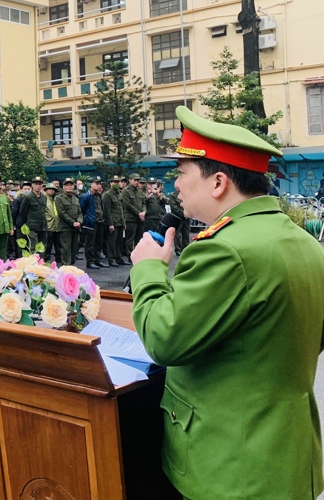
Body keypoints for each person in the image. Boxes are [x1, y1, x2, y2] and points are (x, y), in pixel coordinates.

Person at [130, 105, 324, 500]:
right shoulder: (303, 242)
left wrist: (148, 270)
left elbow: (164, 339)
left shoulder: (226, 250)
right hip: (286, 454)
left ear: (218, 182)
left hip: (231, 462)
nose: (176, 187)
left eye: (182, 174)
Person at [79, 177, 107, 270]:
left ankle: (97, 260)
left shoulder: (99, 195)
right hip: (90, 223)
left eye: (99, 183)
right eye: (96, 183)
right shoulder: (86, 196)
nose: (98, 185)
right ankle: (90, 261)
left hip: (100, 221)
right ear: (91, 184)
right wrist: (85, 221)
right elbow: (81, 210)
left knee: (98, 243)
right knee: (90, 244)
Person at [56, 178, 82, 265]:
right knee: (66, 248)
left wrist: (79, 221)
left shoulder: (76, 199)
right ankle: (66, 266)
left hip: (76, 227)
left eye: (71, 185)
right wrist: (72, 222)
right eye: (67, 185)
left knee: (74, 248)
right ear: (63, 187)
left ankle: (71, 264)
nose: (69, 187)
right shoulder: (59, 198)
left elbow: (80, 212)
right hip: (65, 227)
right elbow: (61, 213)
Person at [102, 176, 125, 267]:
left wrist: (123, 223)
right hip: (113, 222)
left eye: (117, 182)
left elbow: (121, 209)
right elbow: (107, 210)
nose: (116, 183)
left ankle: (119, 258)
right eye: (114, 182)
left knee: (119, 242)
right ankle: (111, 259)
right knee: (112, 242)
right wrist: (110, 223)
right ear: (110, 183)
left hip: (120, 221)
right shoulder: (107, 194)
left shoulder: (120, 193)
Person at [121, 173, 145, 262]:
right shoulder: (126, 191)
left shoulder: (139, 191)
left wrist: (144, 211)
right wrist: (139, 213)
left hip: (140, 218)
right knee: (130, 238)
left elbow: (144, 202)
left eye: (138, 180)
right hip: (131, 218)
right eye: (135, 180)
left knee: (139, 238)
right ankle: (130, 255)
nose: (136, 182)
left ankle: (138, 254)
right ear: (130, 180)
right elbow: (128, 205)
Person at [43, 184, 62, 263]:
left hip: (56, 225)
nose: (51, 191)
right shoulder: (44, 199)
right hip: (48, 224)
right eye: (49, 189)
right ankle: (46, 258)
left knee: (57, 243)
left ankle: (58, 258)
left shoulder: (54, 199)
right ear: (46, 190)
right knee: (48, 244)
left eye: (53, 189)